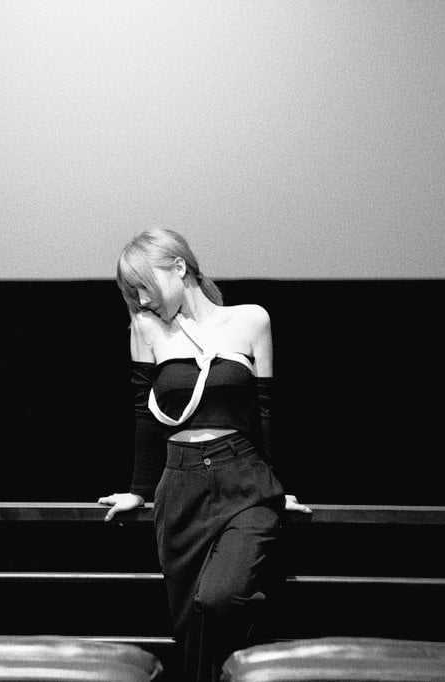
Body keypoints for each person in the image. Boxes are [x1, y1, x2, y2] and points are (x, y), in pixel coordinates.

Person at [98, 228, 311, 682]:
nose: (142, 300)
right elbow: (143, 413)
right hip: (180, 485)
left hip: (244, 478)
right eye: (133, 293)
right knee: (190, 623)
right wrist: (138, 491)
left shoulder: (251, 319)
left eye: (144, 286)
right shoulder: (146, 329)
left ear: (179, 267)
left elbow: (266, 411)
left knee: (219, 598)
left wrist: (278, 488)